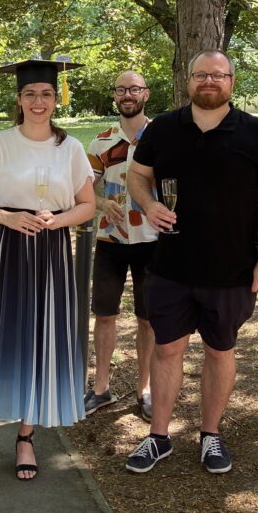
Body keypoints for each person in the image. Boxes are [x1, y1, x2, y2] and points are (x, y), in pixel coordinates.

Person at [123, 50, 258, 475]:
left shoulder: (256, 133)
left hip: (232, 270)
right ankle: (158, 437)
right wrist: (148, 204)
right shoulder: (163, 127)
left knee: (220, 351)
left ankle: (210, 435)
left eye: (218, 75)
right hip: (170, 267)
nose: (209, 82)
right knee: (167, 349)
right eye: (201, 75)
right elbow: (137, 176)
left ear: (232, 81)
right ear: (189, 81)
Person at [0, 59, 96, 494]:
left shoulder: (69, 148)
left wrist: (60, 220)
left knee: (39, 342)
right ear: (18, 99)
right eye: (30, 94)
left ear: (57, 100)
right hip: (7, 248)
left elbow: (87, 206)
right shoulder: (0, 143)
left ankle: (26, 438)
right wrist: (6, 217)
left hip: (51, 253)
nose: (38, 101)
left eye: (46, 94)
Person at [84, 70, 158, 422]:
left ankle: (145, 390)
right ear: (114, 96)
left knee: (148, 319)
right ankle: (101, 388)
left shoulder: (161, 137)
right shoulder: (101, 141)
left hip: (151, 241)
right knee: (105, 315)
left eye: (134, 89)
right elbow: (84, 188)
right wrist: (101, 203)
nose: (127, 94)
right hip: (110, 240)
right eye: (121, 89)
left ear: (146, 94)